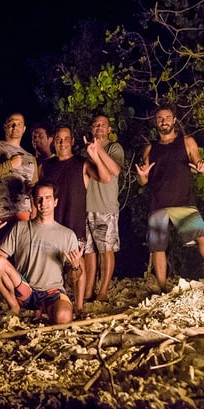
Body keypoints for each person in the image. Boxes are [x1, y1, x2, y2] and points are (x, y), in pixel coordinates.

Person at [136, 106, 204, 287]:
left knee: (202, 236)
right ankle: (162, 287)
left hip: (183, 202)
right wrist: (141, 175)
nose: (164, 121)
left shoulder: (186, 141)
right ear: (156, 122)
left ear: (174, 120)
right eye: (160, 118)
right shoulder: (150, 148)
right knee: (158, 247)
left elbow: (198, 163)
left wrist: (203, 169)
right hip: (158, 204)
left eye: (168, 117)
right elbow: (143, 181)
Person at [0, 181, 83, 324]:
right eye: (39, 198)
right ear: (34, 201)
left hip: (52, 292)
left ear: (55, 201)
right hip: (25, 290)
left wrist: (75, 267)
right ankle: (14, 306)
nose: (43, 203)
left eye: (48, 197)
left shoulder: (67, 235)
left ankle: (45, 308)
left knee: (64, 318)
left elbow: (72, 279)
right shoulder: (20, 227)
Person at [39, 125, 112, 311]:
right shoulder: (46, 165)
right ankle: (47, 301)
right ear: (53, 142)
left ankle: (79, 306)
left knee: (77, 262)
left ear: (72, 141)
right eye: (58, 139)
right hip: (51, 222)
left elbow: (105, 178)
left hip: (74, 222)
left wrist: (95, 155)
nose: (62, 142)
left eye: (65, 139)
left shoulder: (82, 163)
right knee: (49, 262)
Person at [83, 114, 124, 302]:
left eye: (103, 125)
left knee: (106, 250)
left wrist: (99, 149)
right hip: (86, 206)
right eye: (96, 124)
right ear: (92, 128)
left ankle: (103, 291)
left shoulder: (114, 148)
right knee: (89, 251)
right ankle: (89, 291)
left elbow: (115, 170)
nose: (99, 127)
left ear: (109, 129)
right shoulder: (85, 150)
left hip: (106, 206)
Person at [0, 112, 38, 230]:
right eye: (12, 124)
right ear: (5, 127)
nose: (15, 127)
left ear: (24, 129)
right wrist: (9, 164)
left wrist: (34, 216)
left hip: (22, 215)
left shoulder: (31, 158)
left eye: (19, 124)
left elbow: (34, 189)